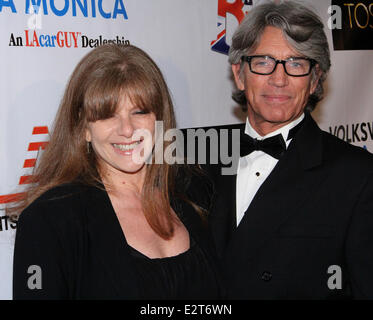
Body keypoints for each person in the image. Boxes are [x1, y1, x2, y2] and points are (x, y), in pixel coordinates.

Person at [11, 44, 222, 299]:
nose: (127, 129)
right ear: (84, 128)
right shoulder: (50, 220)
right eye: (107, 115)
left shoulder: (196, 191)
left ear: (159, 119)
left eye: (139, 111)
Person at [206, 1, 373, 299]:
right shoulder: (195, 154)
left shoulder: (357, 176)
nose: (279, 79)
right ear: (239, 73)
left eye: (296, 63)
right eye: (263, 61)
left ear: (314, 80)